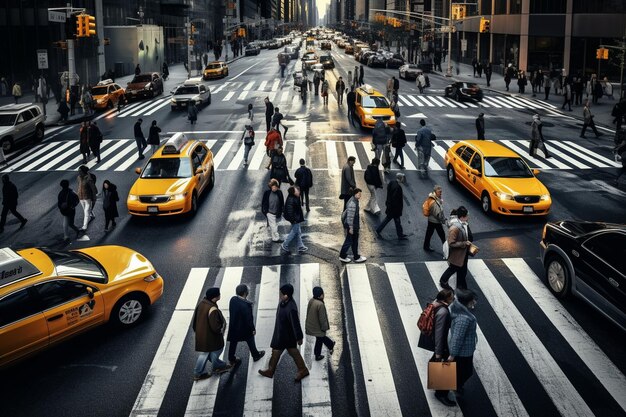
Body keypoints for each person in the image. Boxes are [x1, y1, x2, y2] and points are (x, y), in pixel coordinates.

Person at [259, 284, 309, 382]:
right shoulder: (283, 302)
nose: (279, 295)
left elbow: (296, 324)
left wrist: (299, 337)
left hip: (288, 337)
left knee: (293, 353)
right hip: (281, 334)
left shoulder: (291, 308)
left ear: (286, 296)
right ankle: (270, 371)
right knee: (276, 352)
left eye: (281, 294)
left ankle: (303, 370)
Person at [417, 288, 455, 406]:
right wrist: (439, 351)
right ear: (446, 299)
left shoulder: (435, 303)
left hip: (438, 342)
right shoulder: (443, 312)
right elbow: (439, 333)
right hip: (441, 344)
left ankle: (436, 383)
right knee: (443, 365)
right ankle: (441, 393)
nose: (453, 298)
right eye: (451, 297)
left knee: (437, 362)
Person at [192, 287, 232, 380]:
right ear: (215, 297)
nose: (220, 295)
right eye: (219, 294)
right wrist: (221, 330)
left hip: (201, 334)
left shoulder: (202, 303)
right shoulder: (212, 309)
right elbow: (215, 327)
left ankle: (217, 366)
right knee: (216, 350)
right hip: (210, 336)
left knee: (206, 353)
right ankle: (198, 373)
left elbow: (195, 320)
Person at [447, 289, 479, 400]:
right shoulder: (464, 318)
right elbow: (457, 338)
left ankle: (453, 385)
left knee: (462, 370)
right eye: (473, 300)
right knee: (466, 372)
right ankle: (454, 386)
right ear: (467, 302)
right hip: (463, 352)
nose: (475, 302)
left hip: (464, 350)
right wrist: (452, 355)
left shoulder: (460, 310)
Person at [227, 284, 266, 366]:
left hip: (234, 327)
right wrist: (253, 329)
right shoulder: (246, 305)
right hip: (244, 329)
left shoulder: (233, 299)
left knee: (233, 343)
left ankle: (231, 358)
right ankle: (255, 355)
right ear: (245, 293)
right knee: (250, 340)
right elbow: (249, 319)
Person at [439, 206, 473, 290]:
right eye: (466, 216)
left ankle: (460, 286)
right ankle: (443, 281)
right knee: (454, 268)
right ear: (462, 217)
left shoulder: (463, 223)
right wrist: (464, 243)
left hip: (463, 252)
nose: (468, 217)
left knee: (462, 270)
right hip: (458, 253)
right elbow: (451, 243)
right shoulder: (455, 228)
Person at [305, 286, 335, 361]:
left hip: (311, 325)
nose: (323, 295)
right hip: (317, 326)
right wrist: (324, 328)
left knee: (320, 338)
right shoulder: (320, 305)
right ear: (320, 295)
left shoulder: (312, 300)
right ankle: (320, 353)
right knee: (320, 338)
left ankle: (330, 345)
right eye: (322, 294)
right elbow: (323, 318)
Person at [376, 173, 408, 240]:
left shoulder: (392, 182)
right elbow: (395, 199)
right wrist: (397, 210)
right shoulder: (398, 187)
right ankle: (400, 235)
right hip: (394, 209)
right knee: (396, 222)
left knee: (390, 220)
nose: (403, 179)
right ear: (400, 178)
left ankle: (379, 230)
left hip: (390, 207)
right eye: (402, 178)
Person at [339, 188, 366, 263]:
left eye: (360, 194)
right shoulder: (353, 203)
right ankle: (342, 255)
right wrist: (350, 228)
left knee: (354, 241)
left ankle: (356, 256)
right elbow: (350, 217)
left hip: (354, 226)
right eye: (359, 194)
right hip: (353, 226)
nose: (360, 195)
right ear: (355, 194)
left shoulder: (354, 200)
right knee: (349, 241)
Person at [281, 186, 307, 254]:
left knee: (298, 231)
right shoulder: (291, 199)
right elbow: (289, 212)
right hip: (294, 219)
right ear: (293, 193)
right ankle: (285, 244)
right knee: (294, 231)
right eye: (296, 191)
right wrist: (294, 220)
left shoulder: (296, 197)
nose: (298, 191)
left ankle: (300, 246)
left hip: (296, 218)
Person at [423, 185, 446, 252]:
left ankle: (426, 246)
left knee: (429, 233)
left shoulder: (432, 198)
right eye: (439, 192)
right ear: (435, 192)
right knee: (442, 235)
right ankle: (446, 249)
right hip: (436, 221)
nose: (441, 193)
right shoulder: (434, 202)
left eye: (441, 192)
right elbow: (438, 214)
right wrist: (443, 220)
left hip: (431, 220)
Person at [261, 179, 284, 243]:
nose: (274, 188)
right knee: (273, 226)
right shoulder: (267, 193)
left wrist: (282, 210)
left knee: (274, 225)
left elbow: (282, 202)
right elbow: (263, 202)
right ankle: (276, 238)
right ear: (270, 187)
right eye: (273, 187)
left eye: (275, 187)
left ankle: (274, 238)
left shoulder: (279, 192)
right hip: (270, 212)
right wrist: (265, 211)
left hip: (277, 212)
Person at [76, 165, 97, 231]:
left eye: (80, 171)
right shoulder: (78, 178)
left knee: (86, 212)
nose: (79, 172)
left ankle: (84, 227)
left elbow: (93, 188)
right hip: (80, 197)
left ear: (83, 172)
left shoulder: (88, 179)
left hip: (87, 197)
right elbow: (79, 185)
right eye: (78, 171)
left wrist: (94, 196)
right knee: (85, 210)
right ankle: (92, 215)